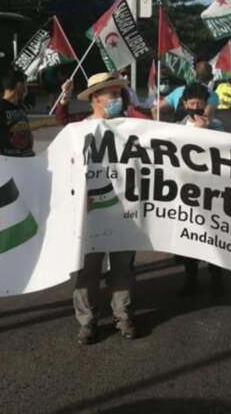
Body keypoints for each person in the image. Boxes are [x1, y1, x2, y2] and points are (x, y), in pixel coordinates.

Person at [71, 72, 138, 344]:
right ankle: (87, 321)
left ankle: (123, 315)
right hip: (89, 212)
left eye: (118, 93)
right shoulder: (77, 133)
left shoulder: (132, 127)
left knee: (123, 266)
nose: (117, 99)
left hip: (124, 211)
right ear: (95, 99)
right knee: (87, 270)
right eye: (111, 94)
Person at [175, 83, 226, 296]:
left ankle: (217, 277)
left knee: (214, 237)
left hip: (212, 192)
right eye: (192, 103)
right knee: (188, 237)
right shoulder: (175, 128)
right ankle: (191, 277)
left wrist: (207, 133)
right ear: (185, 104)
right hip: (185, 192)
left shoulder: (217, 127)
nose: (195, 107)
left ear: (206, 105)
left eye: (200, 103)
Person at [0, 69, 34, 157]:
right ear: (19, 85)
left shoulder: (20, 107)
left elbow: (27, 132)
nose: (26, 89)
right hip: (9, 162)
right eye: (24, 84)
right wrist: (1, 163)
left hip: (26, 160)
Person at [153, 60, 219, 121]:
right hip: (197, 131)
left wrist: (163, 129)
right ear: (212, 77)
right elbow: (204, 120)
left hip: (178, 130)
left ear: (194, 75)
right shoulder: (212, 96)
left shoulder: (179, 90)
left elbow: (155, 110)